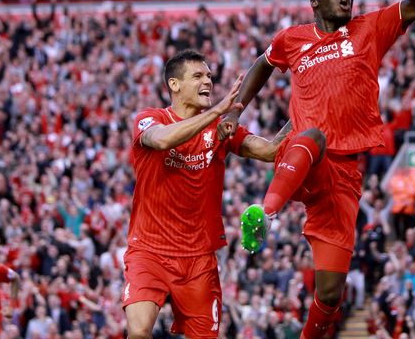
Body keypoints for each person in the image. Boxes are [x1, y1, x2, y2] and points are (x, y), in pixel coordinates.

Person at [217, 0, 415, 339]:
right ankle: (264, 214)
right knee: (313, 135)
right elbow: (261, 67)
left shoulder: (369, 29)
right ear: (314, 1)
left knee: (331, 293)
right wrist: (235, 109)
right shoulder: (292, 39)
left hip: (346, 174)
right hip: (304, 153)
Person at [123, 50, 290, 339]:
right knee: (138, 332)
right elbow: (162, 140)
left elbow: (271, 150)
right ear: (174, 84)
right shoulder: (150, 119)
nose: (208, 82)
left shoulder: (220, 128)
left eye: (210, 76)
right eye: (198, 76)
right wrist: (216, 112)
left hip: (199, 259)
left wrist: (307, 111)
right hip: (149, 251)